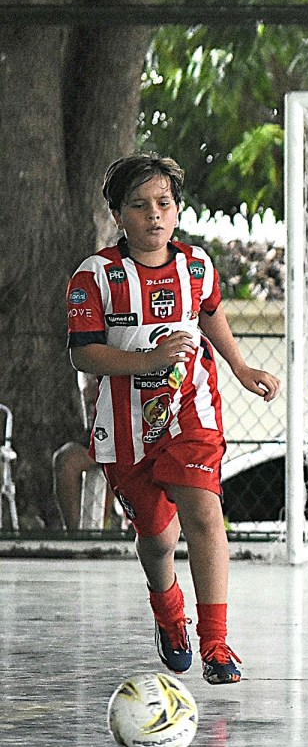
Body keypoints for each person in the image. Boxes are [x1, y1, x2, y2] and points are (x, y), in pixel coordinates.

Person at [66, 153, 280, 684]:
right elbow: (84, 354)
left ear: (178, 209)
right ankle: (169, 614)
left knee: (205, 514)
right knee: (158, 539)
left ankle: (216, 644)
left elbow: (210, 315)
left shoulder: (197, 265)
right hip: (126, 425)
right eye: (139, 206)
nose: (153, 215)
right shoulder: (95, 276)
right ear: (118, 214)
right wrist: (148, 362)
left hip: (191, 407)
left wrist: (239, 365)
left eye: (163, 203)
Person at [53, 372, 119, 530]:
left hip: (134, 435)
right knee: (65, 460)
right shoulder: (86, 358)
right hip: (99, 436)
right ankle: (75, 534)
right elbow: (89, 392)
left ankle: (106, 523)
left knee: (115, 457)